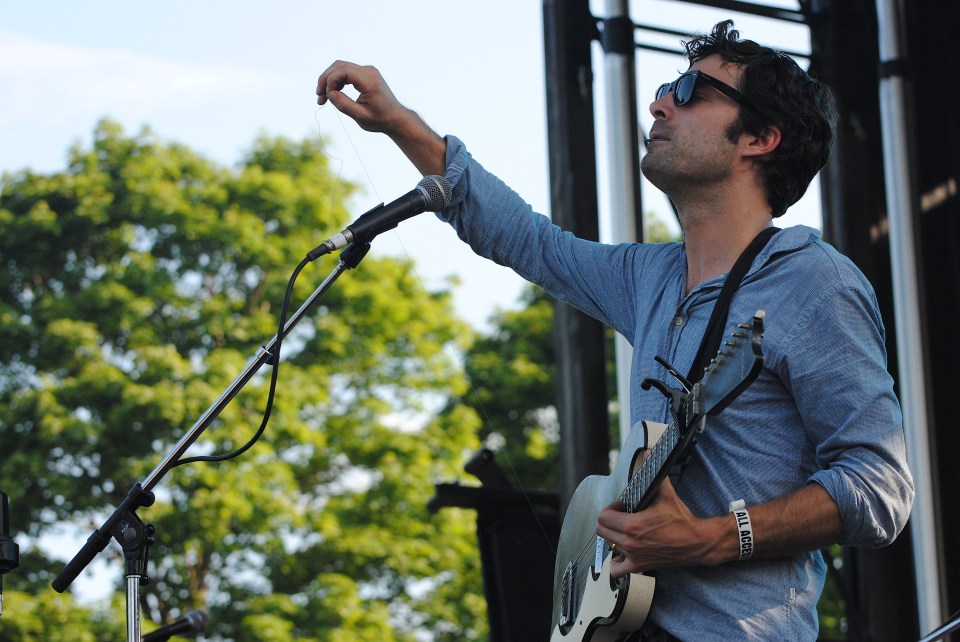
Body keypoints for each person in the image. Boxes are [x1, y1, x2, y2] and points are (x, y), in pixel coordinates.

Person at [317, 20, 913, 641]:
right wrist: (399, 122)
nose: (659, 104)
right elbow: (527, 239)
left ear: (760, 138)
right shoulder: (650, 276)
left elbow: (879, 486)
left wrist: (712, 538)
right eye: (664, 89)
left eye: (690, 91)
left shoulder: (814, 284)